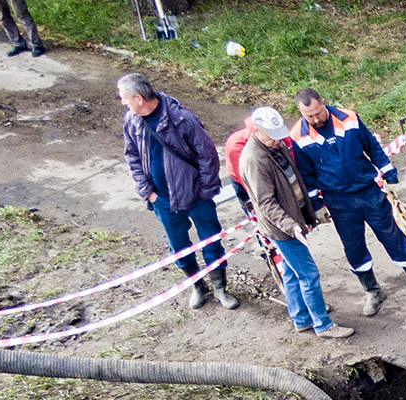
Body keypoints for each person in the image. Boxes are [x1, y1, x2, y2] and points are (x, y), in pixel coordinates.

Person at [290, 88, 406, 315]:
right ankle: (373, 291)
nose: (316, 119)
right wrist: (316, 206)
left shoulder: (349, 119)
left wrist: (391, 178)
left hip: (368, 192)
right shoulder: (298, 136)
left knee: (392, 237)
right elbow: (306, 176)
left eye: (318, 113)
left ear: (324, 102)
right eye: (309, 117)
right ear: (301, 112)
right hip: (339, 201)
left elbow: (373, 149)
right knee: (354, 247)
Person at [118, 73, 239, 311]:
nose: (123, 102)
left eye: (124, 98)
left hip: (197, 198)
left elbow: (208, 156)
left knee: (211, 243)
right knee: (179, 248)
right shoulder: (131, 121)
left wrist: (204, 192)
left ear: (139, 98)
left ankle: (220, 289)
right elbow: (132, 156)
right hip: (162, 200)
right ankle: (197, 287)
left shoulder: (182, 119)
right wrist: (147, 192)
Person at [237, 107, 353, 339]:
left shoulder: (274, 146)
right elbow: (265, 203)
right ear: (257, 130)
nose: (277, 140)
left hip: (292, 221)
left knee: (291, 272)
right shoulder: (254, 160)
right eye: (272, 136)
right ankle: (323, 324)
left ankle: (301, 318)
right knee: (308, 275)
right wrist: (292, 226)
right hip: (283, 229)